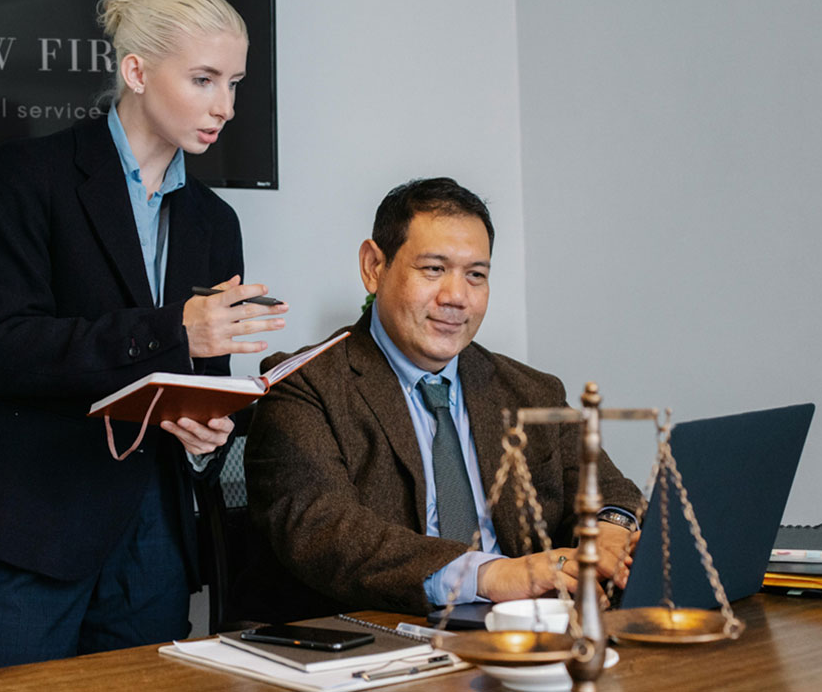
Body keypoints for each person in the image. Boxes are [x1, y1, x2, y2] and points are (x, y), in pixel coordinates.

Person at [0, 0, 287, 672]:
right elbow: (7, 347)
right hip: (28, 530)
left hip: (153, 543)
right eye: (204, 79)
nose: (225, 106)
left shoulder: (216, 223)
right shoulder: (29, 174)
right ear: (137, 71)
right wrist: (174, 331)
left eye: (234, 83)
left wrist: (206, 433)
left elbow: (199, 378)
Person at [241, 177, 640, 622]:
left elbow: (613, 491)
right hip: (379, 636)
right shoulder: (303, 386)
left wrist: (610, 533)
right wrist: (490, 574)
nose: (456, 298)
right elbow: (324, 531)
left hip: (526, 634)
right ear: (374, 267)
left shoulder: (532, 390)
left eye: (476, 275)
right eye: (433, 269)